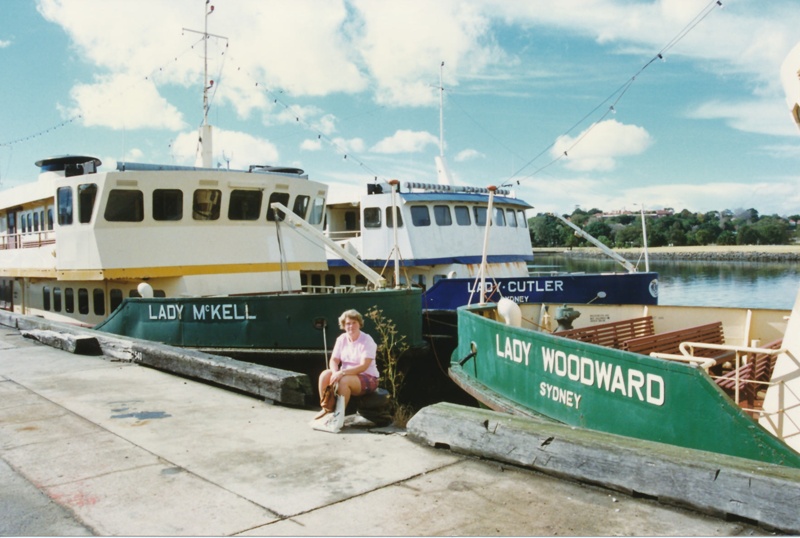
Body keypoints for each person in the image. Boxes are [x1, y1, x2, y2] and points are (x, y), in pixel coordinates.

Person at [314, 309, 380, 420]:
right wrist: (335, 372)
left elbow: (363, 366)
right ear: (344, 326)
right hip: (345, 374)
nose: (351, 326)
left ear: (360, 324)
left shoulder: (367, 340)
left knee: (344, 381)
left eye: (354, 323)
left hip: (367, 377)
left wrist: (342, 372)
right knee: (325, 375)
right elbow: (334, 360)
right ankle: (326, 408)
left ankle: (339, 416)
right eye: (348, 323)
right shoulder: (341, 339)